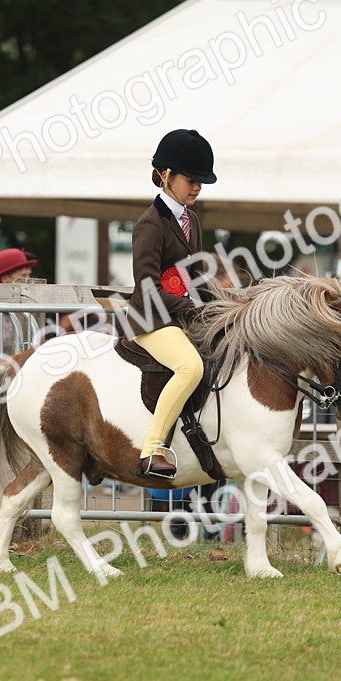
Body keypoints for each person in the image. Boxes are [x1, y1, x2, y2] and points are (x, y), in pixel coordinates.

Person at [123, 128, 216, 479]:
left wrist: (223, 307)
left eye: (200, 182)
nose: (197, 187)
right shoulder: (149, 225)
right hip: (151, 319)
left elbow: (198, 278)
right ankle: (152, 450)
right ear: (166, 176)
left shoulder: (191, 220)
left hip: (180, 315)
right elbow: (146, 288)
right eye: (191, 179)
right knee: (190, 367)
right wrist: (190, 307)